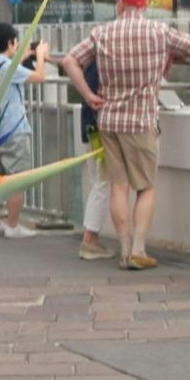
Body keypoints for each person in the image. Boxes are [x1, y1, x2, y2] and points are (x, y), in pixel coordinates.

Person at [60, 0, 190, 270]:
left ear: (121, 5)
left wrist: (89, 95)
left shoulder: (102, 33)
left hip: (109, 120)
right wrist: (172, 54)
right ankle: (139, 249)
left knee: (118, 186)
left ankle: (124, 250)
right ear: (143, 6)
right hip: (140, 121)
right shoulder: (158, 31)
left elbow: (69, 61)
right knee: (146, 188)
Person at [0, 22, 49, 240]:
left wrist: (21, 56)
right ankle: (13, 225)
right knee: (17, 179)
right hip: (13, 129)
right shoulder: (9, 67)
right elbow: (39, 77)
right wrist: (40, 57)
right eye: (16, 42)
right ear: (10, 43)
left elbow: (7, 71)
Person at [75, 59, 115, 260]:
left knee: (97, 184)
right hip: (97, 134)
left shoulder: (89, 66)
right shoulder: (98, 67)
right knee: (102, 183)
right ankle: (90, 240)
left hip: (89, 131)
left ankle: (89, 238)